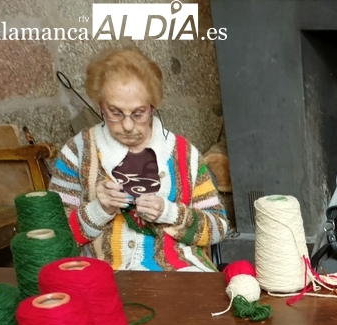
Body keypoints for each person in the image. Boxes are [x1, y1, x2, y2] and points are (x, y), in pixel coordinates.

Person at [50, 46, 229, 271]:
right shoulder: (77, 152)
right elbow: (54, 239)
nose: (127, 125)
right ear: (100, 105)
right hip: (104, 275)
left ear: (152, 107)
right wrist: (99, 209)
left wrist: (169, 213)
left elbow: (218, 228)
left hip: (180, 273)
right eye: (115, 112)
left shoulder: (184, 154)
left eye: (138, 113)